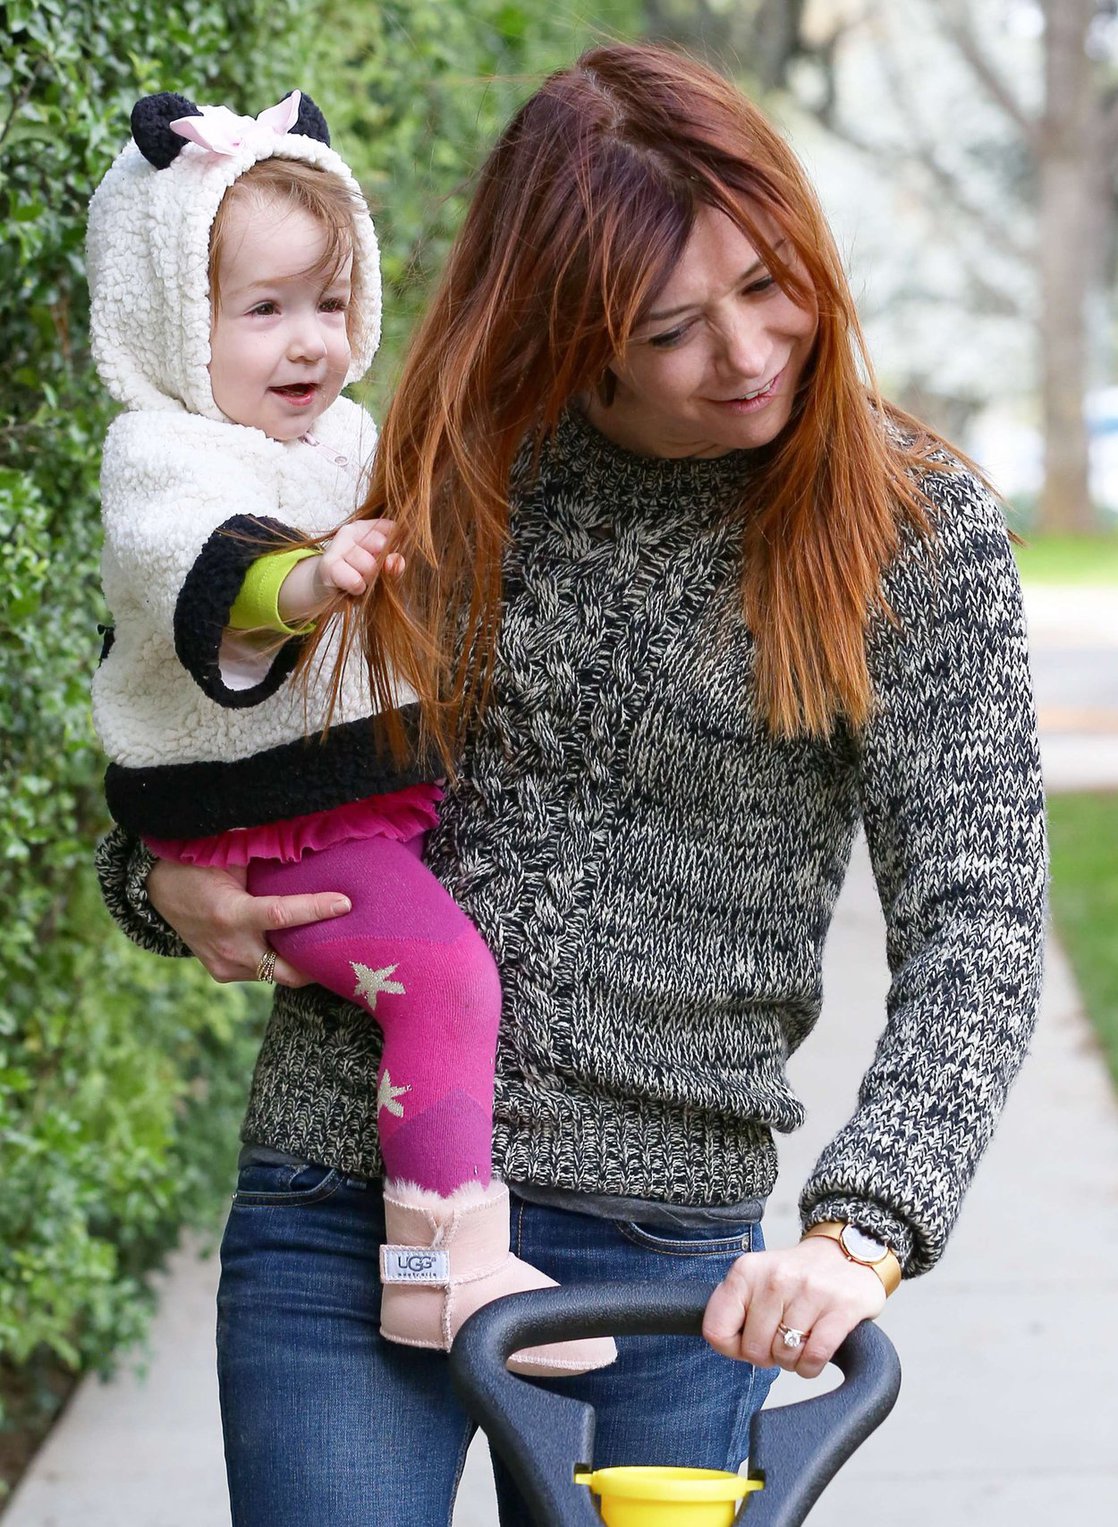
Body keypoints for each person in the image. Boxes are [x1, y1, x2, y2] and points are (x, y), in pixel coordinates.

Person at [95, 42, 1047, 1527]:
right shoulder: (421, 473)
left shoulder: (907, 531)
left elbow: (979, 921)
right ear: (569, 323)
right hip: (351, 1211)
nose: (744, 353)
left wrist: (861, 1228)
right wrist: (156, 884)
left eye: (769, 284)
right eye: (670, 328)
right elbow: (202, 736)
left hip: (677, 1267)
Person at [86, 87, 613, 1377]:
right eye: (260, 312)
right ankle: (445, 1266)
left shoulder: (338, 436)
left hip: (324, 795)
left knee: (437, 974)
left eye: (329, 304)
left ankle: (449, 1259)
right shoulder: (167, 453)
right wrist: (312, 580)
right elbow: (205, 569)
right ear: (170, 319)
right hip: (260, 818)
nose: (308, 343)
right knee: (442, 981)